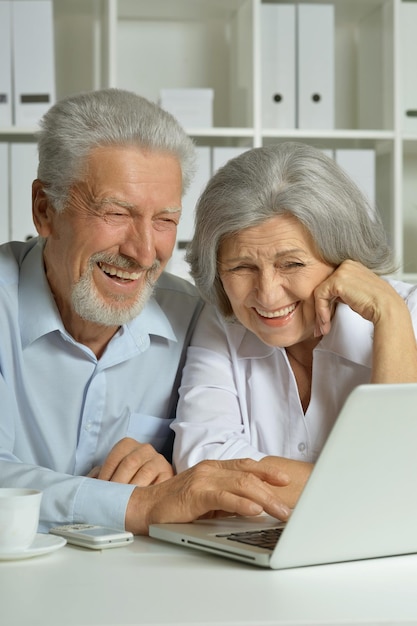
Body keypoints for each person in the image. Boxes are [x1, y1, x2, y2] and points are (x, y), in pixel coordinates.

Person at [0, 89, 291, 536]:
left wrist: (174, 476)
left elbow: (210, 476)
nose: (142, 251)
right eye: (116, 213)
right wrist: (137, 504)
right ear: (45, 210)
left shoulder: (198, 318)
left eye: (165, 221)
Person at [172, 141, 417, 508]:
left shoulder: (407, 310)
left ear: (342, 258)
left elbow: (405, 478)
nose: (268, 295)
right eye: (242, 267)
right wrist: (369, 485)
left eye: (292, 264)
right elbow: (204, 464)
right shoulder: (223, 320)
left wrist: (391, 316)